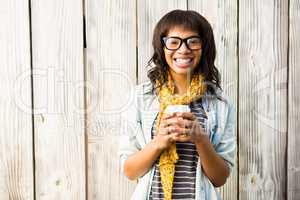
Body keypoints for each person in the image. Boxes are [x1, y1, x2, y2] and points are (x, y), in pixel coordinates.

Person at [118, 9, 236, 200]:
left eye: (193, 41)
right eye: (174, 42)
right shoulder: (140, 98)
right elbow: (130, 171)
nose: (183, 49)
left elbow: (219, 178)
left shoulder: (220, 104)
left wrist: (201, 139)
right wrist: (158, 142)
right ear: (162, 46)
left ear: (204, 46)